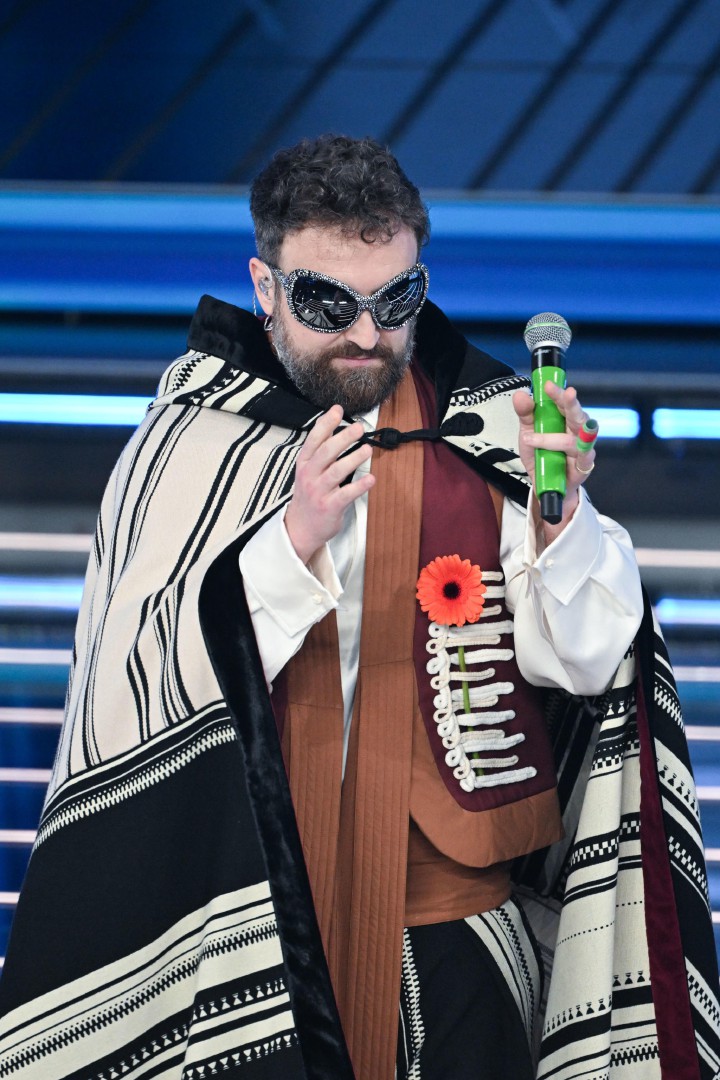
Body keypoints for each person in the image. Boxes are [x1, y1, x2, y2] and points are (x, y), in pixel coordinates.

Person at [0, 135, 717, 1080]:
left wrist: (559, 516)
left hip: (459, 937)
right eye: (329, 304)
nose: (368, 335)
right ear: (265, 287)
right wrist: (290, 540)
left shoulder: (497, 427)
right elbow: (142, 674)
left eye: (397, 301)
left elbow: (589, 665)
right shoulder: (188, 443)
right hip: (248, 943)